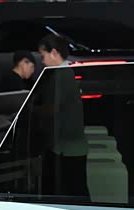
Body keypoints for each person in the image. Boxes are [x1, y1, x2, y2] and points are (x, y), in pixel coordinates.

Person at [36, 34, 89, 198]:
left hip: (65, 147)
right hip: (70, 145)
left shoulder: (60, 75)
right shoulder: (67, 73)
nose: (42, 61)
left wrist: (32, 110)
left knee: (71, 191)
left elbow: (51, 108)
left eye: (43, 56)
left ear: (53, 52)